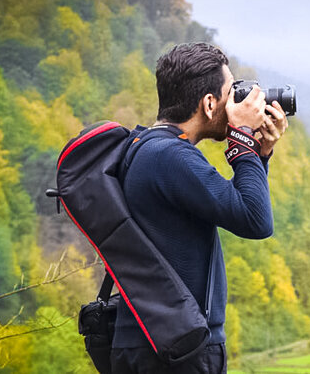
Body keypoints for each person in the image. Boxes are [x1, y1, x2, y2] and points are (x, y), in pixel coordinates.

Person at [111, 42, 288, 373]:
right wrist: (243, 138)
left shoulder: (149, 149)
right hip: (176, 350)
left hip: (157, 341)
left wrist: (258, 152)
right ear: (209, 104)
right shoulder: (171, 156)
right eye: (231, 92)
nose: (237, 101)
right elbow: (257, 221)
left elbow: (244, 208)